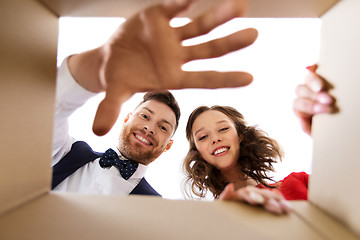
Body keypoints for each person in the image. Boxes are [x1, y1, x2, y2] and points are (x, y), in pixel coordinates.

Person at [52, 0, 257, 196]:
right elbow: (45, 113)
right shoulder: (64, 151)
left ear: (168, 145)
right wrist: (96, 66)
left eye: (163, 127)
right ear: (127, 119)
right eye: (145, 116)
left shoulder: (157, 206)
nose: (150, 128)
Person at [183, 65, 337, 214]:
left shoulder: (298, 182)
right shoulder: (209, 217)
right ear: (198, 152)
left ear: (240, 135)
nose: (215, 139)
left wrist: (331, 129)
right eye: (203, 137)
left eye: (223, 129)